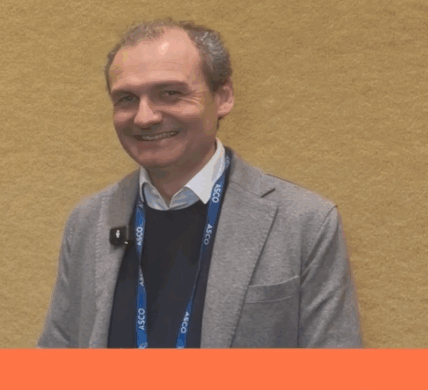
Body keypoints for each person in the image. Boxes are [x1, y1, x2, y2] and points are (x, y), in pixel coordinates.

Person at [38, 19, 361, 348]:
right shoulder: (88, 221)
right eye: (126, 99)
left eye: (170, 94)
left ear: (223, 98)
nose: (144, 117)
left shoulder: (305, 223)